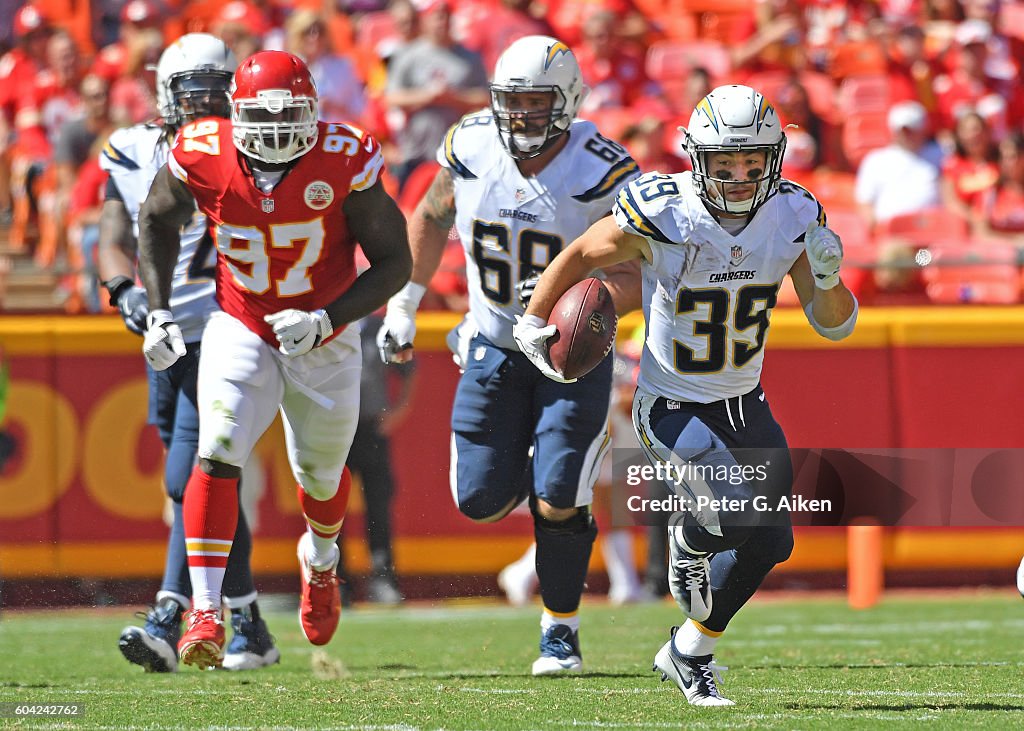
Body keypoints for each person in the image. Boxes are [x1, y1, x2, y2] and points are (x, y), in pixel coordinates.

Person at [517, 84, 857, 705]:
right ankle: (690, 538)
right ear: (697, 156)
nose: (739, 176)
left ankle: (689, 649)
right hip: (671, 403)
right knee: (730, 517)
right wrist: (533, 317)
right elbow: (583, 252)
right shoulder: (664, 209)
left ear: (774, 158)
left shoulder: (794, 213)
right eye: (725, 163)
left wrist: (830, 277)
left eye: (753, 162)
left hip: (745, 402)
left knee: (774, 541)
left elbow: (834, 323)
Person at [136, 49, 412, 670]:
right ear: (236, 112)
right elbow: (154, 221)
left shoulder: (344, 158)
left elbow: (396, 262)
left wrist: (327, 318)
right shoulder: (202, 150)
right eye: (263, 116)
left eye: (292, 117)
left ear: (315, 112)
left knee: (318, 475)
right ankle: (206, 608)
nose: (279, 131)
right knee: (220, 441)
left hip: (327, 335)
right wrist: (156, 310)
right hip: (243, 322)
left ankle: (320, 559)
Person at [378, 35, 641, 675]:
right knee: (478, 498)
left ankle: (560, 630)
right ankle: (546, 464)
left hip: (566, 354)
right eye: (511, 102)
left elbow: (643, 268)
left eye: (536, 102)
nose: (521, 115)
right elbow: (430, 215)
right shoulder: (469, 146)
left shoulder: (601, 168)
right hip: (492, 345)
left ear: (569, 101)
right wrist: (404, 303)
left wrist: (590, 295)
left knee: (560, 491)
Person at [98, 33, 279, 674]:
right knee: (206, 478)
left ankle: (171, 612)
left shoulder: (258, 146)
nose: (204, 102)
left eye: (214, 90)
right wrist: (123, 289)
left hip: (229, 330)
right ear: (165, 93)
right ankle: (249, 621)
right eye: (190, 90)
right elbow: (115, 235)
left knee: (191, 477)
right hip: (167, 335)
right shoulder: (133, 150)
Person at [337, 311, 417, 606]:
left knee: (378, 505)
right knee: (330, 509)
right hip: (333, 431)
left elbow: (408, 369)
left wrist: (399, 410)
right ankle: (335, 580)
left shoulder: (379, 329)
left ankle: (383, 578)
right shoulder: (327, 323)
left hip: (370, 428)